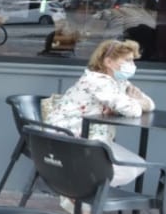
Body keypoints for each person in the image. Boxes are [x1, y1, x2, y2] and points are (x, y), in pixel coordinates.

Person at [44, 38, 156, 189]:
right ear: (108, 62)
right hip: (70, 139)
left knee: (138, 165)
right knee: (122, 170)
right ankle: (79, 196)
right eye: (128, 61)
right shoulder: (97, 81)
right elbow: (132, 110)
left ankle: (80, 194)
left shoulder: (118, 82)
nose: (133, 66)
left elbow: (150, 104)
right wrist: (137, 102)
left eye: (133, 61)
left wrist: (140, 102)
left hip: (93, 139)